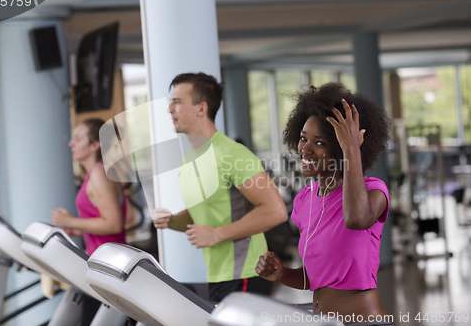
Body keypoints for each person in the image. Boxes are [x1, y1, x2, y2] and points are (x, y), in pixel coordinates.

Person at [255, 83, 391, 325]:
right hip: (322, 319)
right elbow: (316, 277)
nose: (304, 149)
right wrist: (281, 273)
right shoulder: (303, 201)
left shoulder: (373, 190)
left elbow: (357, 219)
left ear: (340, 148)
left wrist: (351, 148)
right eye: (303, 139)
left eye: (319, 143)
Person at [153, 72, 288, 302]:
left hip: (247, 274)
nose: (169, 109)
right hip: (219, 275)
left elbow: (276, 211)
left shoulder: (232, 153)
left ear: (201, 108)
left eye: (177, 102)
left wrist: (217, 234)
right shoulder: (187, 160)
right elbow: (204, 215)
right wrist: (171, 220)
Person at [50, 118, 127, 325]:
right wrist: (79, 229)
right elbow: (101, 221)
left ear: (95, 145)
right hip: (99, 267)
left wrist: (72, 221)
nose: (71, 143)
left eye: (78, 138)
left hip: (109, 269)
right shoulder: (94, 174)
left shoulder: (100, 174)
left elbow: (113, 224)